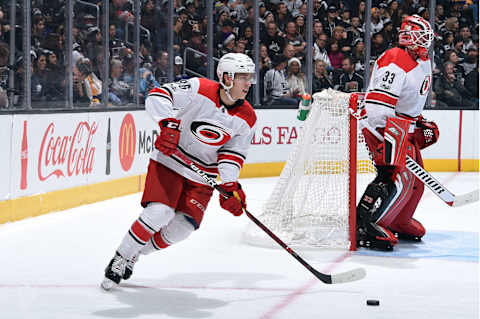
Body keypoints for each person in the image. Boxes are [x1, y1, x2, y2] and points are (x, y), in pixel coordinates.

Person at [101, 53, 257, 290]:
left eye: (250, 77)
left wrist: (229, 185)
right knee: (159, 213)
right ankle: (121, 258)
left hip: (201, 174)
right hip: (171, 160)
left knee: (183, 229)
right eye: (242, 77)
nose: (248, 83)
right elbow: (158, 95)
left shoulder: (247, 117)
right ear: (226, 77)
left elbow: (232, 154)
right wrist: (167, 123)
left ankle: (135, 254)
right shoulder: (199, 88)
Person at [356, 15, 439, 251]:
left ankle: (399, 221)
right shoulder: (395, 59)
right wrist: (386, 135)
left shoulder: (420, 61)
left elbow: (408, 101)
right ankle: (365, 223)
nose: (426, 41)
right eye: (421, 36)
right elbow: (377, 106)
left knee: (416, 182)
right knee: (395, 177)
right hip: (384, 127)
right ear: (408, 37)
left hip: (403, 127)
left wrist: (418, 121)